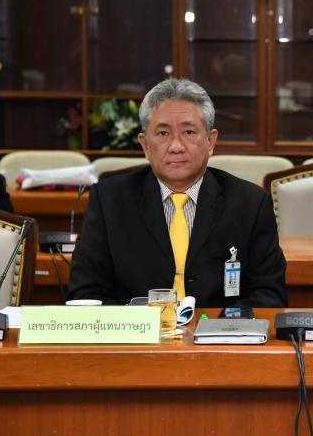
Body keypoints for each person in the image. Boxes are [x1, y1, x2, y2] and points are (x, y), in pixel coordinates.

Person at [67, 78, 287, 307]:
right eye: (163, 133)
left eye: (188, 132)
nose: (176, 146)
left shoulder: (250, 204)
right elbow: (85, 293)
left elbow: (269, 295)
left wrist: (218, 324)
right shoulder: (109, 201)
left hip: (217, 328)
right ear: (145, 145)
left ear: (210, 141)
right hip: (138, 329)